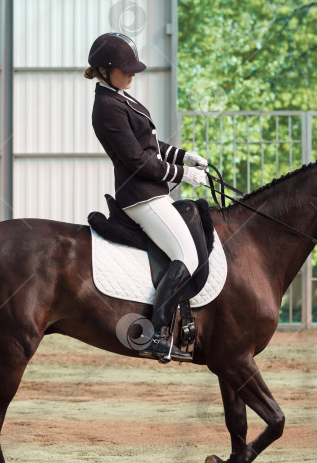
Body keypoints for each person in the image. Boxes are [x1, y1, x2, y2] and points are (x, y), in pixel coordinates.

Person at [86, 32, 208, 361]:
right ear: (104, 70)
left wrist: (185, 156)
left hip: (151, 192)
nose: (132, 74)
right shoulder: (108, 107)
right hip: (140, 195)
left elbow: (150, 147)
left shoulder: (121, 97)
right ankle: (157, 333)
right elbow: (139, 161)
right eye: (125, 69)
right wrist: (185, 175)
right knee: (188, 255)